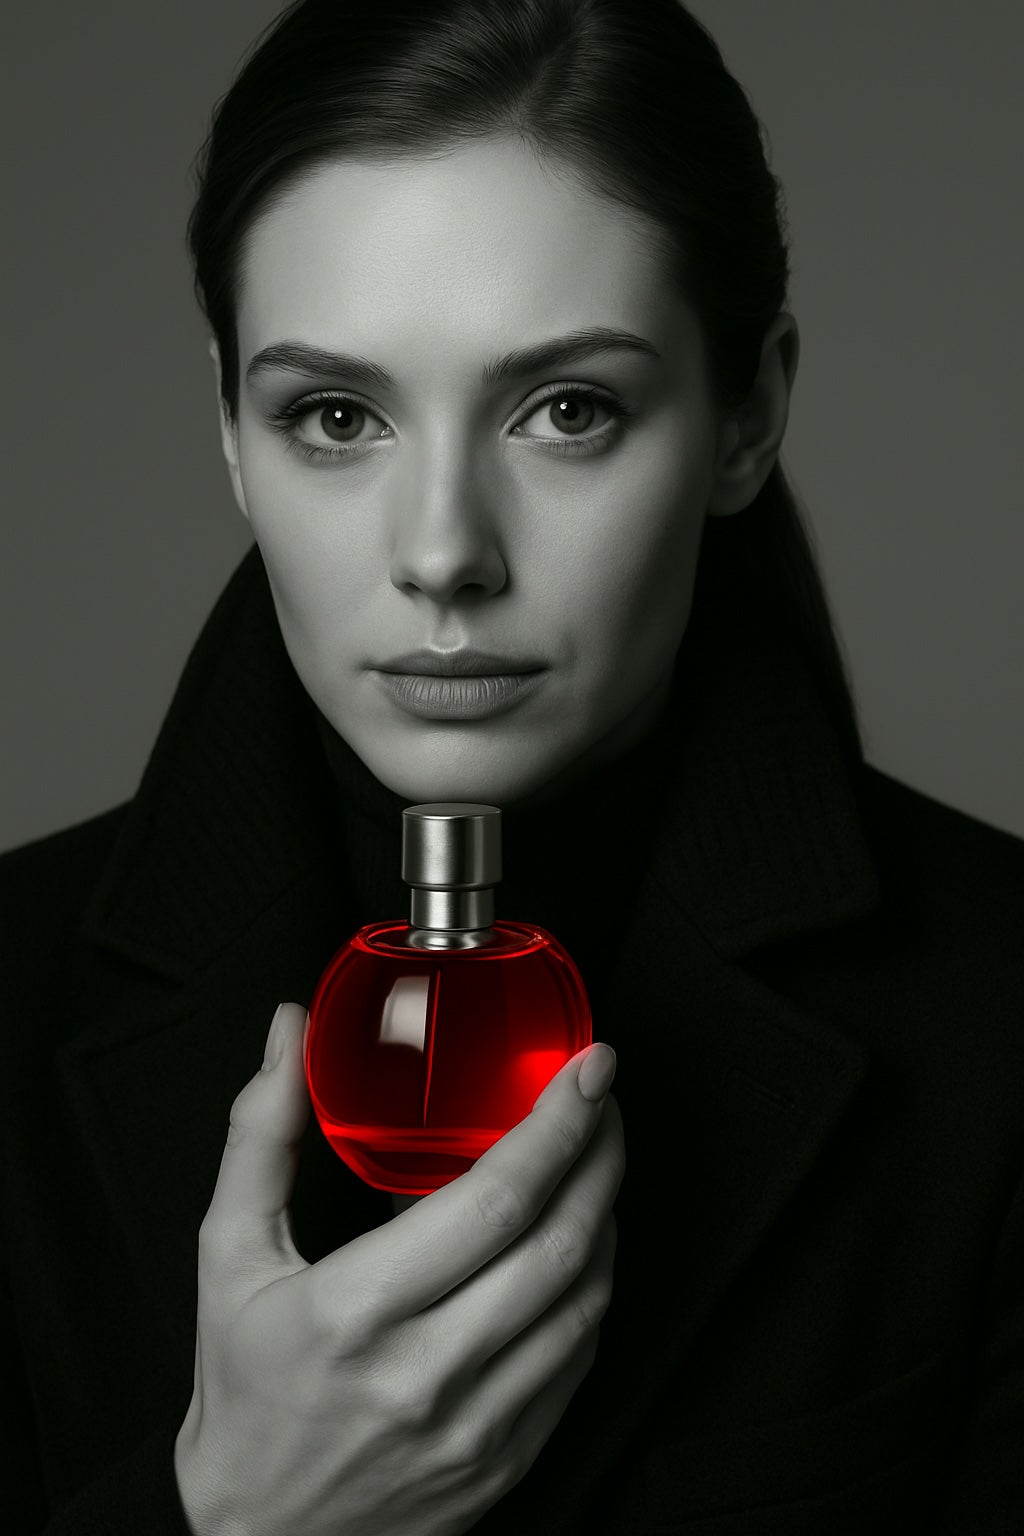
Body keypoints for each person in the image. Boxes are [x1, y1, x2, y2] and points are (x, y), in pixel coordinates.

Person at [2, 1, 1022, 1531]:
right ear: (228, 430)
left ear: (747, 415)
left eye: (566, 410)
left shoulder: (1000, 1020)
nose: (443, 552)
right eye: (334, 415)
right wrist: (225, 1515)